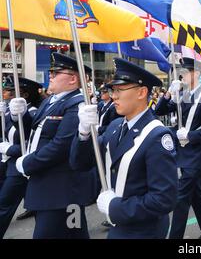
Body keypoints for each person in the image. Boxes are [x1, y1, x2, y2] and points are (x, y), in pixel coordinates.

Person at [71, 58, 178, 239]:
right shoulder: (115, 126)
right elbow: (80, 162)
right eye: (113, 90)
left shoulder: (157, 136)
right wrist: (83, 133)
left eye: (120, 90)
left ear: (142, 92)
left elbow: (163, 199)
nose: (114, 96)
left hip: (143, 231)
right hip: (119, 226)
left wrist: (116, 207)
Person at [9, 53, 96, 239]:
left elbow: (60, 146)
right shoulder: (51, 100)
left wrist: (27, 163)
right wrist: (19, 115)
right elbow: (36, 131)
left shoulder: (77, 105)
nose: (50, 75)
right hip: (47, 187)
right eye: (51, 71)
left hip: (62, 191)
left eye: (56, 72)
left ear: (73, 78)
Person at [155, 57, 201, 239]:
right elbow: (159, 111)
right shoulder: (182, 94)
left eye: (186, 71)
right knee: (195, 194)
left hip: (197, 156)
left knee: (180, 197)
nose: (182, 74)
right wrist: (168, 93)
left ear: (197, 74)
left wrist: (190, 136)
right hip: (182, 154)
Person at [0, 77, 42, 238]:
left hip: (18, 166)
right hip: (5, 162)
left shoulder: (31, 114)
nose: (4, 93)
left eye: (9, 91)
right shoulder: (9, 111)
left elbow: (32, 144)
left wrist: (11, 149)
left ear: (23, 95)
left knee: (4, 205)